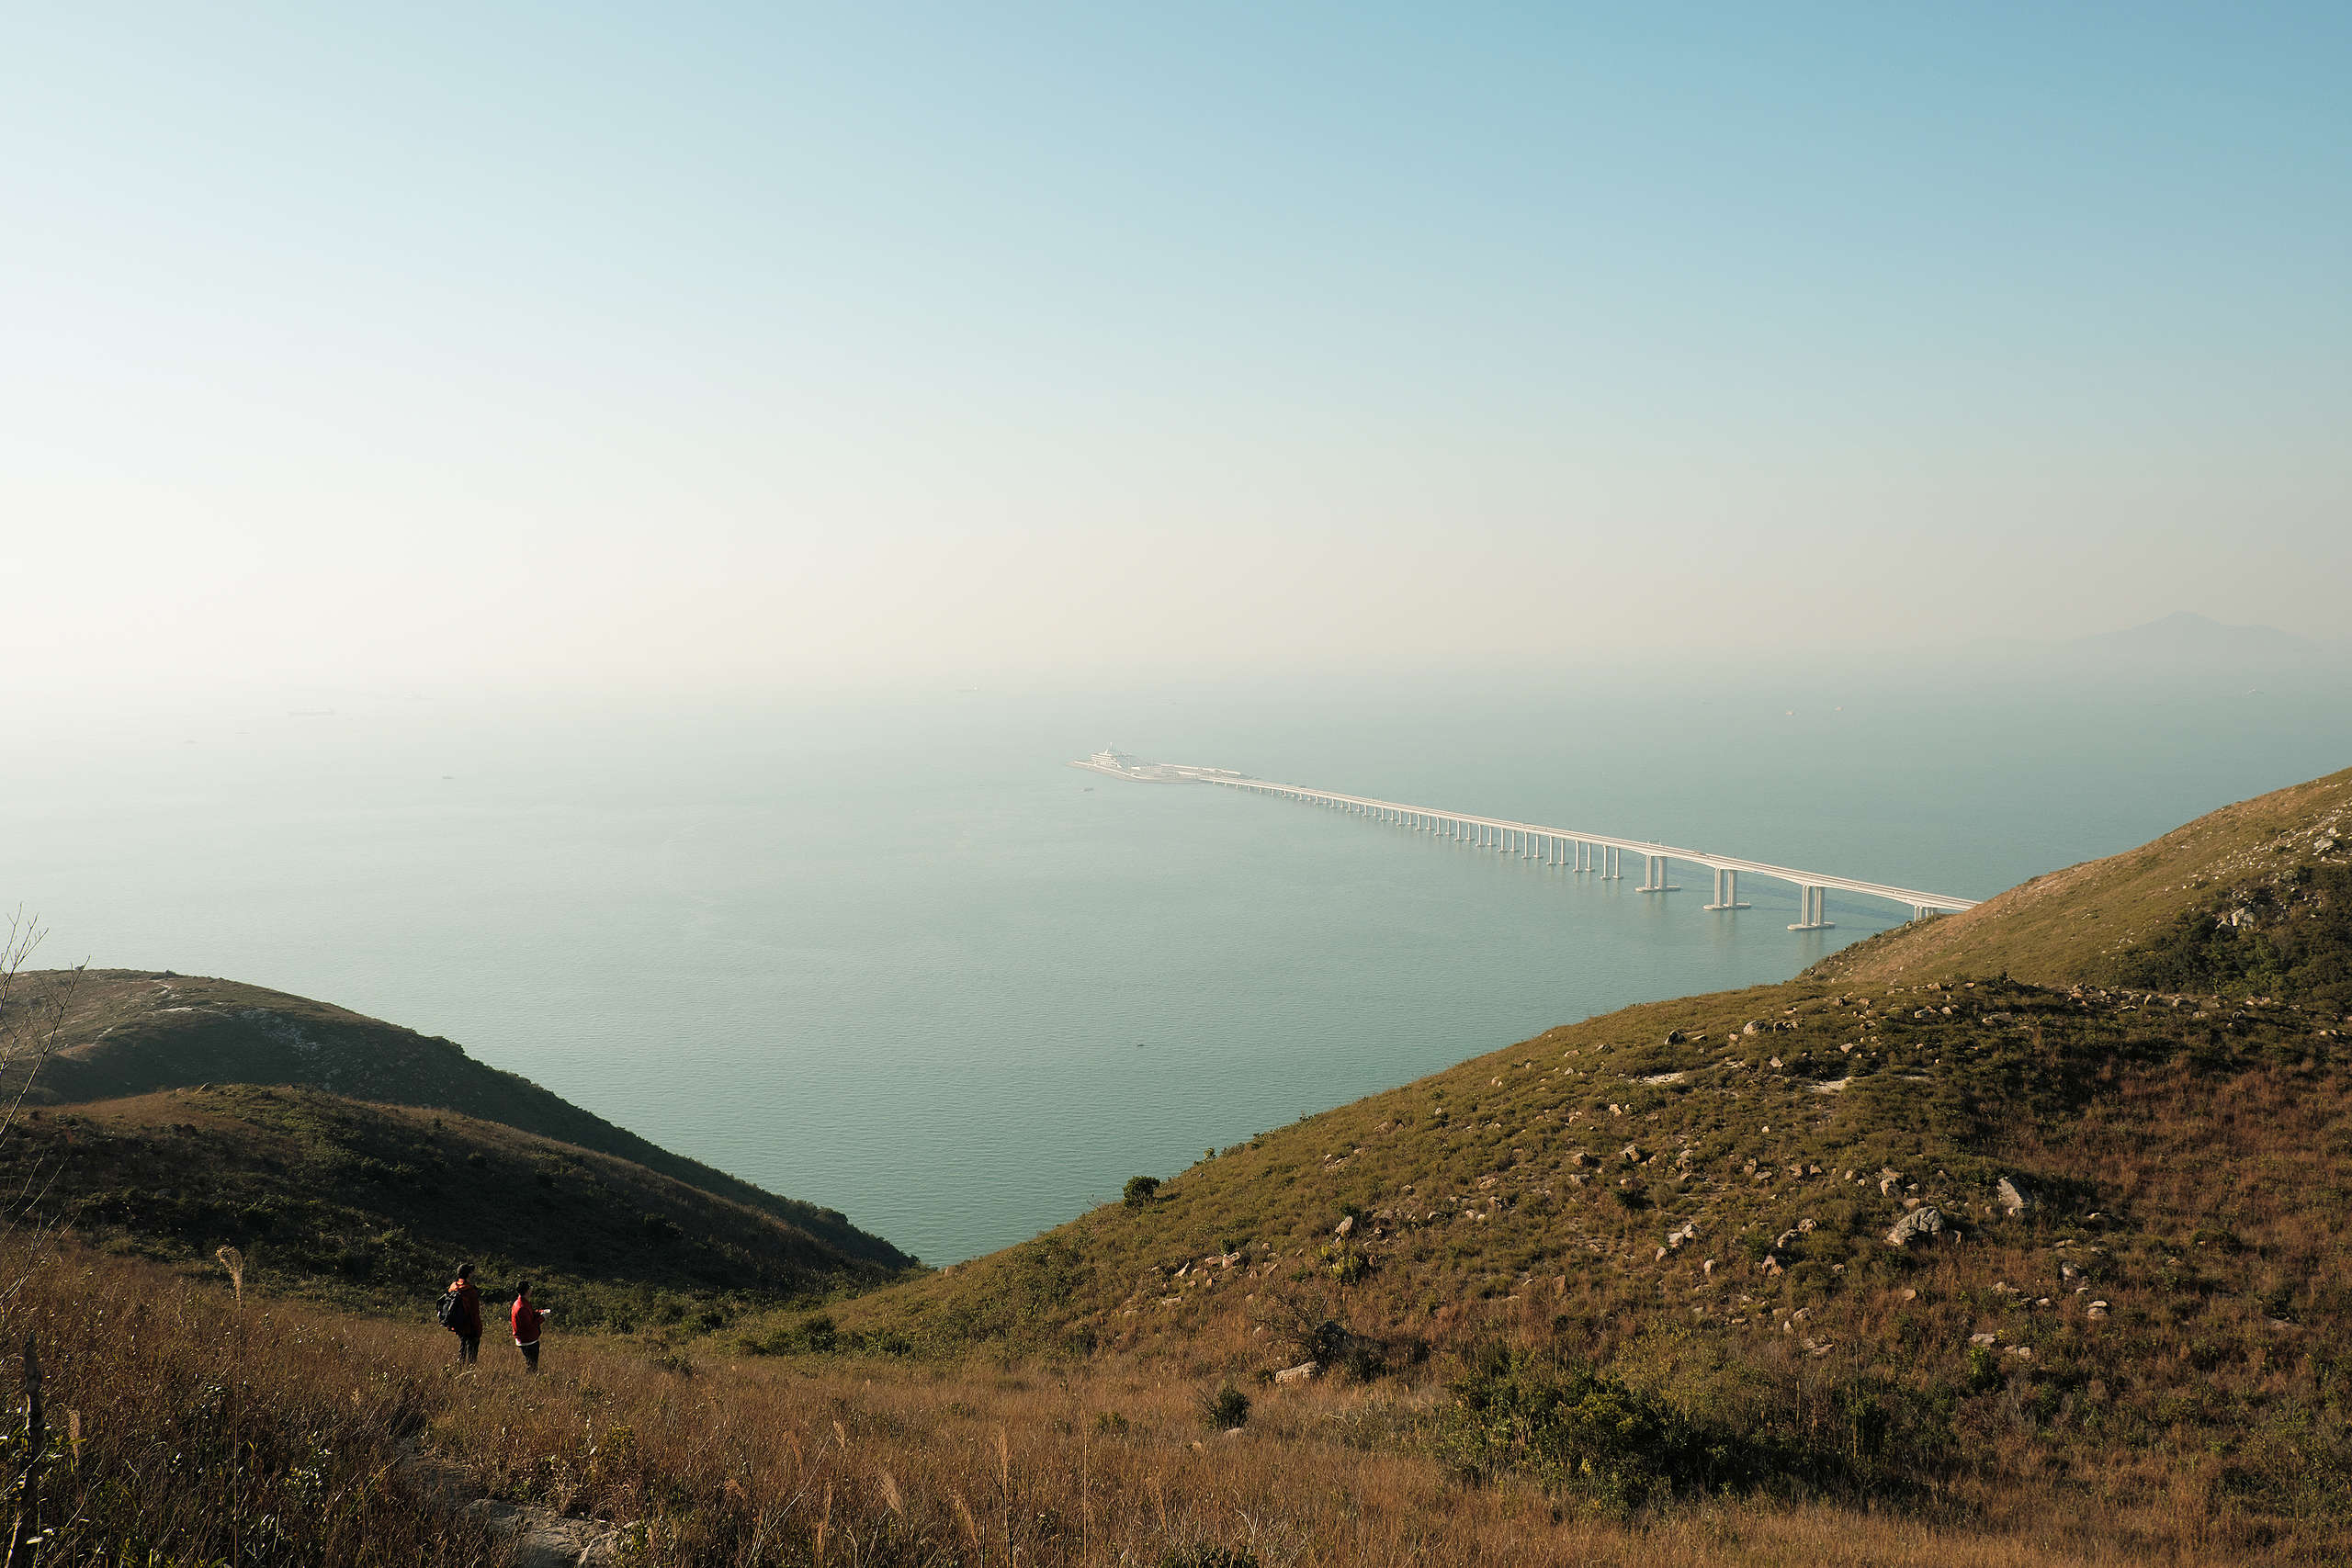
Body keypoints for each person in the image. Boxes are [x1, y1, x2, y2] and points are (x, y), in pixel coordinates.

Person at [444, 1263, 482, 1364]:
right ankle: (469, 1373)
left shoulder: (453, 1287)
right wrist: (478, 1330)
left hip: (459, 1325)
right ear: (469, 1274)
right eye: (471, 1272)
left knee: (462, 1348)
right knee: (472, 1356)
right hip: (470, 1326)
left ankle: (459, 1367)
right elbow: (474, 1312)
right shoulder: (470, 1291)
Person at [511, 1280, 551, 1373]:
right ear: (527, 1290)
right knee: (532, 1367)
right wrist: (543, 1318)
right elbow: (529, 1326)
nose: (531, 1290)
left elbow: (531, 1314)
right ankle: (529, 1382)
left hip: (527, 1339)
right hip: (528, 1341)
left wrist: (541, 1312)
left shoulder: (520, 1302)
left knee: (531, 1365)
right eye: (530, 1288)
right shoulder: (521, 1307)